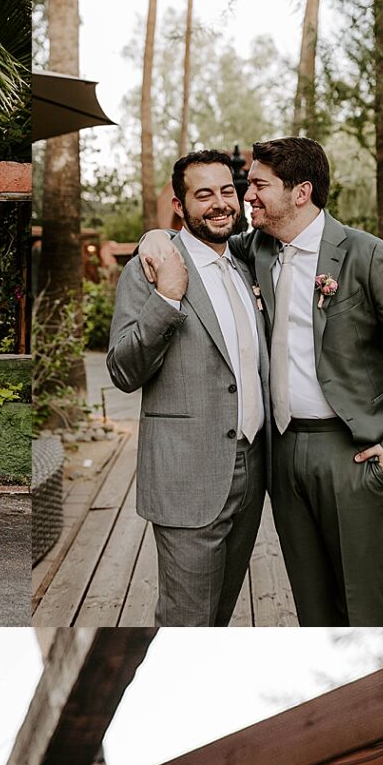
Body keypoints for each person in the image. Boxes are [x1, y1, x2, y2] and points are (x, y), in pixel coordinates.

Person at [140, 135, 383, 624]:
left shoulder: (368, 255)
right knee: (312, 603)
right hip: (279, 455)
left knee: (363, 603)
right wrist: (153, 237)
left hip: (350, 452)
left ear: (300, 192)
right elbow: (194, 242)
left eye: (258, 185)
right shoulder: (255, 248)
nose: (248, 195)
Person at [106, 148, 269, 625]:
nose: (219, 204)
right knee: (186, 622)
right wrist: (167, 298)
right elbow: (121, 370)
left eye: (226, 192)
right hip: (186, 475)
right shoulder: (150, 267)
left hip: (252, 468)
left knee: (219, 616)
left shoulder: (243, 263)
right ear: (180, 205)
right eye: (203, 195)